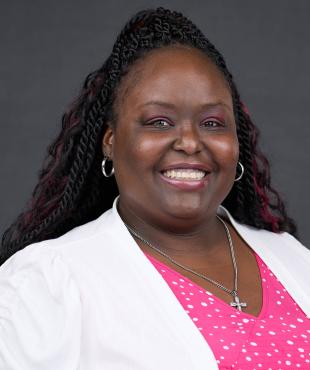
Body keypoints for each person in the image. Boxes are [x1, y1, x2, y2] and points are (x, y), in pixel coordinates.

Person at [0, 7, 309, 370]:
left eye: (212, 123)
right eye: (159, 122)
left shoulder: (294, 260)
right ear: (110, 142)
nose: (191, 142)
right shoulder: (48, 282)